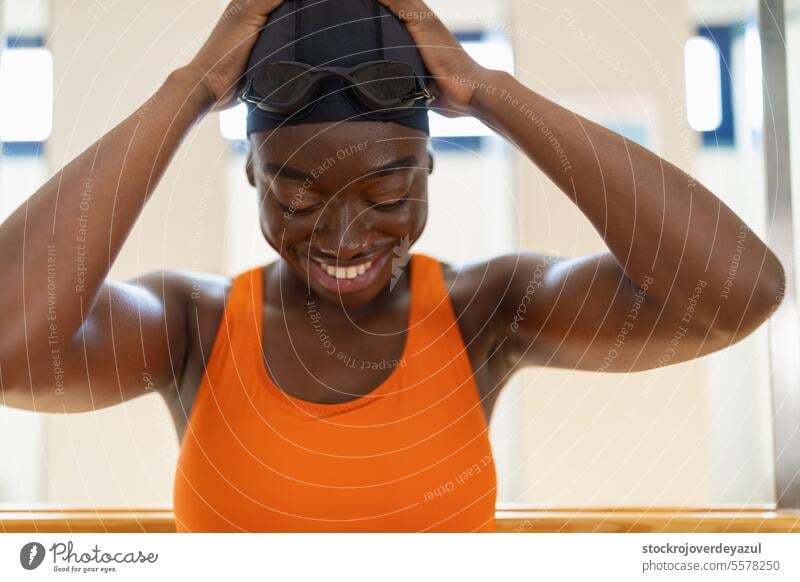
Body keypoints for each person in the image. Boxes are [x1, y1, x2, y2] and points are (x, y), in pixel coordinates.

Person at [0, 0, 785, 532]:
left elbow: (735, 292)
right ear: (251, 175)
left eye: (387, 193)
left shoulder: (486, 313)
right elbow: (8, 346)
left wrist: (488, 91)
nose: (345, 237)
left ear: (432, 169)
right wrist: (189, 90)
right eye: (299, 198)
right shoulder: (189, 330)